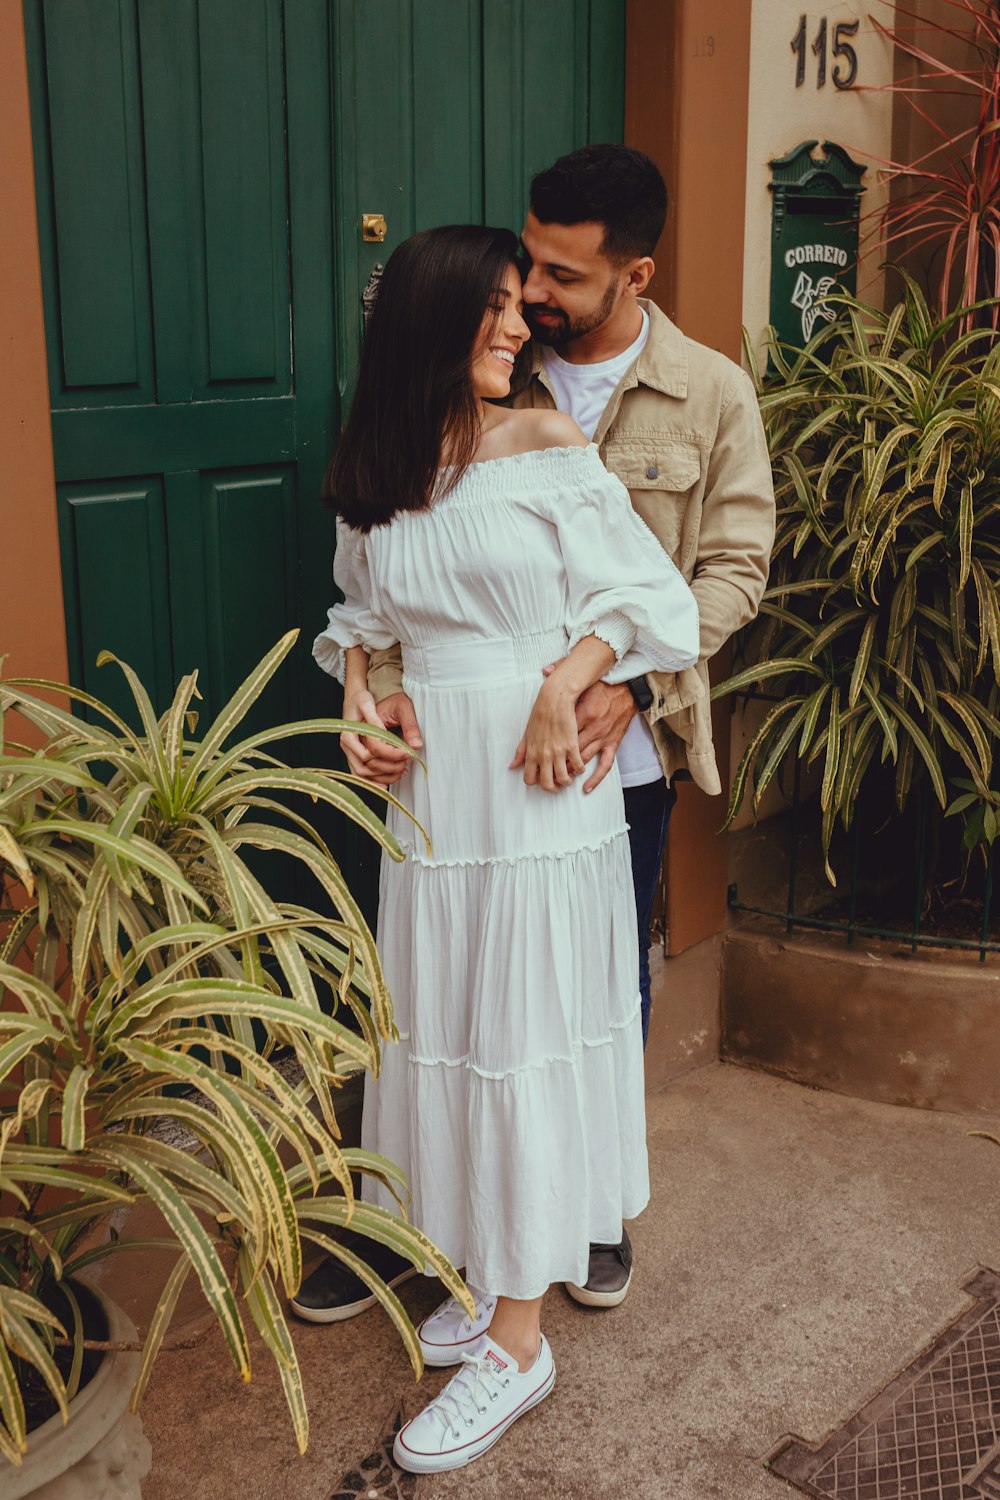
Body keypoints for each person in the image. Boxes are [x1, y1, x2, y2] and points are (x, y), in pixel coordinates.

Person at [300, 145, 776, 1320]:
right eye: (520, 284)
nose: (535, 304)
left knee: (580, 990)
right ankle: (457, 1227)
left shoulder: (704, 391)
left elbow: (717, 574)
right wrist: (369, 693)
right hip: (457, 774)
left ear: (635, 273)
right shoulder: (430, 433)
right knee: (454, 1001)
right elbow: (376, 607)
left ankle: (574, 1223)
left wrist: (608, 679)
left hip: (614, 748)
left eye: (557, 279)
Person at [311, 223, 699, 1474]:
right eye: (489, 309)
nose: (517, 326)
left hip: (539, 800)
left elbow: (655, 601)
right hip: (433, 815)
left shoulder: (543, 444)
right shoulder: (379, 467)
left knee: (524, 1039)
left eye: (519, 307)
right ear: (427, 323)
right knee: (455, 1034)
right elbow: (361, 620)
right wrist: (365, 702)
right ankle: (488, 1272)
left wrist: (570, 677)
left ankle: (518, 1344)